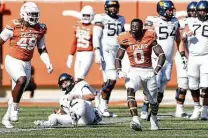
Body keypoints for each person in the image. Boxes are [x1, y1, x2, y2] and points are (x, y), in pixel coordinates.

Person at [0, 2, 53, 128]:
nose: (34, 17)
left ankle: (6, 118)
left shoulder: (40, 28)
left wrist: (47, 61)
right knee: (22, 79)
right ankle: (15, 109)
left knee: (17, 92)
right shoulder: (15, 25)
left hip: (27, 63)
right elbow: (1, 39)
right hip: (13, 60)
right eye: (31, 14)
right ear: (23, 14)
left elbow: (42, 48)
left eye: (36, 14)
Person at [116, 18, 166, 131]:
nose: (134, 29)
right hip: (134, 70)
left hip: (148, 71)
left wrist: (156, 71)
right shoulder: (125, 38)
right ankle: (135, 119)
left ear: (142, 28)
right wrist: (119, 70)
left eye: (136, 27)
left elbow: (162, 55)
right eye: (132, 26)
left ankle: (153, 118)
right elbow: (118, 57)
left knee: (153, 101)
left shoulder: (149, 36)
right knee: (130, 90)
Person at [140, 0, 181, 119]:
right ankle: (144, 106)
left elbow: (178, 38)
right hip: (155, 57)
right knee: (154, 84)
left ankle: (154, 111)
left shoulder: (175, 21)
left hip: (168, 59)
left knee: (162, 85)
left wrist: (182, 53)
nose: (171, 12)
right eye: (169, 9)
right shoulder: (153, 20)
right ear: (162, 10)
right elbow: (145, 36)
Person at [93, 0, 125, 117]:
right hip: (106, 51)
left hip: (117, 52)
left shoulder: (121, 19)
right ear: (106, 8)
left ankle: (101, 105)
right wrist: (97, 51)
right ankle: (102, 107)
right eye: (111, 7)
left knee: (108, 81)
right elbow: (96, 36)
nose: (113, 9)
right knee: (112, 79)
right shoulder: (101, 17)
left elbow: (122, 36)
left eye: (115, 7)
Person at [34, 73, 102, 127]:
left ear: (71, 80)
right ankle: (46, 124)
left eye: (66, 82)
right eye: (63, 83)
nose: (65, 84)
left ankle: (77, 117)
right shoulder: (64, 98)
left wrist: (77, 96)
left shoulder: (80, 85)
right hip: (78, 121)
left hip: (89, 116)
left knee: (81, 102)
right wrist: (61, 112)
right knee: (54, 116)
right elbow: (70, 112)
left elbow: (91, 96)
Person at [180, 0, 208, 120]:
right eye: (201, 10)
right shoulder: (190, 21)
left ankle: (205, 110)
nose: (203, 12)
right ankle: (197, 108)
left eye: (205, 10)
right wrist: (185, 35)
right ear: (197, 11)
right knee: (192, 85)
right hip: (193, 57)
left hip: (206, 56)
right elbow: (182, 36)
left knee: (206, 85)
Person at [174, 1, 197, 118]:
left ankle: (199, 109)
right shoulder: (183, 22)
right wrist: (183, 56)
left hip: (197, 56)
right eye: (191, 10)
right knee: (183, 83)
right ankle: (179, 109)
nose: (193, 13)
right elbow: (179, 40)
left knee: (198, 84)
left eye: (195, 10)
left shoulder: (202, 23)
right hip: (183, 54)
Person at [66, 5, 95, 82]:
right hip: (79, 54)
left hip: (88, 53)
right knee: (76, 78)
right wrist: (71, 56)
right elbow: (75, 42)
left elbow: (97, 44)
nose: (85, 17)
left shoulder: (94, 28)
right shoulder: (77, 25)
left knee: (80, 77)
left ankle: (92, 93)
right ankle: (80, 93)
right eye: (84, 15)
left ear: (92, 16)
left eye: (87, 15)